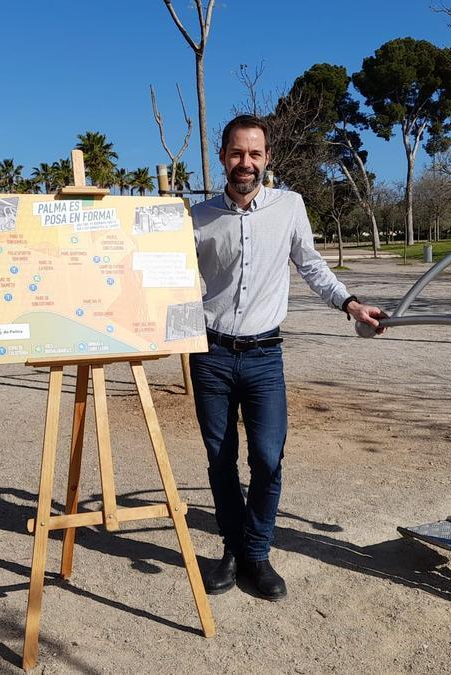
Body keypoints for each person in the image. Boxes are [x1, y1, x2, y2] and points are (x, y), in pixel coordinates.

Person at [189, 115, 386, 601]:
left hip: (263, 357)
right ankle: (234, 549)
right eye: (237, 153)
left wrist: (350, 303)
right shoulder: (196, 218)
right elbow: (166, 274)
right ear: (222, 158)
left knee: (268, 458)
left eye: (255, 154)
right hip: (210, 354)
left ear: (267, 158)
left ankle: (257, 554)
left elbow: (313, 265)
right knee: (220, 459)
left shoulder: (290, 206)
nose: (245, 163)